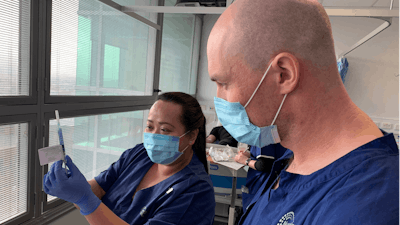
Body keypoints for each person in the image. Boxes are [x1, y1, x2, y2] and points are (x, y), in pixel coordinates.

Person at [207, 0, 400, 224]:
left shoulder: (366, 207)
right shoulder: (293, 161)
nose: (220, 99)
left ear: (284, 75)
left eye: (224, 83)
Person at [43, 92, 215, 225]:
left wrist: (84, 199)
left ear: (191, 136)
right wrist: (72, 187)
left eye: (164, 130)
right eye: (149, 126)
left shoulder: (195, 192)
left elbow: (88, 199)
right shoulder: (139, 155)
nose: (153, 136)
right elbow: (98, 189)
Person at [234, 144, 286, 211]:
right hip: (260, 181)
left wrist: (246, 161)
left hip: (262, 183)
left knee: (255, 210)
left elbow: (264, 165)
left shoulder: (264, 136)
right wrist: (250, 155)